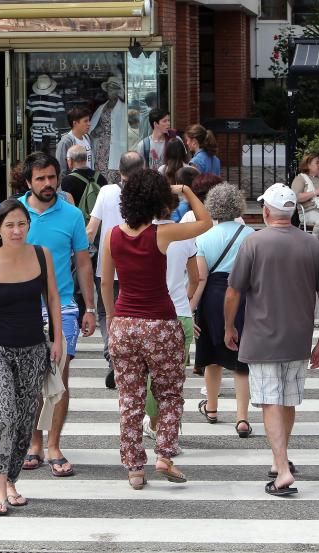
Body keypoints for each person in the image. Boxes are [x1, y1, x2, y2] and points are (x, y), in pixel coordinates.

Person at [100, 168, 212, 490]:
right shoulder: (162, 233)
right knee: (169, 393)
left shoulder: (113, 236)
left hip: (124, 323)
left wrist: (112, 319)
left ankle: (135, 468)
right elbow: (205, 223)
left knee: (130, 399)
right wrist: (186, 191)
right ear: (158, 200)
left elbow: (107, 282)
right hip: (161, 324)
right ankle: (164, 453)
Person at [224, 182, 319, 496]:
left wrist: (229, 326)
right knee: (287, 399)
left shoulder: (254, 243)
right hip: (298, 336)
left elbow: (234, 291)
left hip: (261, 335)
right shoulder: (312, 245)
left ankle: (282, 469)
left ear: (267, 211)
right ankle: (279, 457)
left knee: (270, 401)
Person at [0, 199, 62, 515]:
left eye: (22, 224)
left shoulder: (42, 256)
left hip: (33, 350)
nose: (17, 230)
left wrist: (57, 338)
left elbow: (54, 298)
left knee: (23, 421)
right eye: (10, 225)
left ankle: (12, 479)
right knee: (3, 415)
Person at [18, 152, 96, 477]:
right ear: (28, 182)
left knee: (58, 379)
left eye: (52, 177)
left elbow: (82, 262)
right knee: (31, 380)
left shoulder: (73, 215)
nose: (48, 184)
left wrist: (90, 307)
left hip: (62, 307)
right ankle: (33, 443)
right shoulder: (14, 213)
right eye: (41, 179)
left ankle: (53, 445)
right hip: (21, 307)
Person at [142, 176, 201, 449]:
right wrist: (186, 301)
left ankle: (154, 424)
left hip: (150, 312)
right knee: (175, 378)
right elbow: (195, 277)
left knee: (152, 375)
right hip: (179, 312)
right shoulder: (184, 235)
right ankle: (170, 431)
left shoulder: (140, 235)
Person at [191, 184, 254, 435]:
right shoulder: (251, 235)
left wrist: (191, 307)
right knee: (240, 360)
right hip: (243, 295)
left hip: (212, 296)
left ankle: (213, 408)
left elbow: (200, 278)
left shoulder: (204, 237)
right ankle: (242, 418)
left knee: (211, 356)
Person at [86, 152, 145, 389]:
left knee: (106, 313)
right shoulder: (146, 194)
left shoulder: (107, 192)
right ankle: (131, 359)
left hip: (108, 264)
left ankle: (112, 355)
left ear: (118, 171)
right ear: (141, 169)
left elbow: (91, 229)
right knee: (133, 313)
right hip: (139, 265)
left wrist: (78, 252)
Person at [290, 153, 319, 240]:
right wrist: (316, 192)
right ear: (308, 165)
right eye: (317, 163)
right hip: (309, 211)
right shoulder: (300, 178)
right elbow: (295, 197)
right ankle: (310, 244)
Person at [60, 144, 106, 213]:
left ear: (71, 161)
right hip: (98, 220)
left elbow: (66, 207)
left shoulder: (67, 181)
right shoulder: (100, 177)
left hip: (79, 220)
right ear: (86, 159)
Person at [55, 106, 93, 172]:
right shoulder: (65, 142)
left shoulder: (88, 138)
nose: (89, 124)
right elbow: (61, 168)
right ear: (75, 123)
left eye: (89, 120)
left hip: (89, 179)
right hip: (74, 181)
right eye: (85, 121)